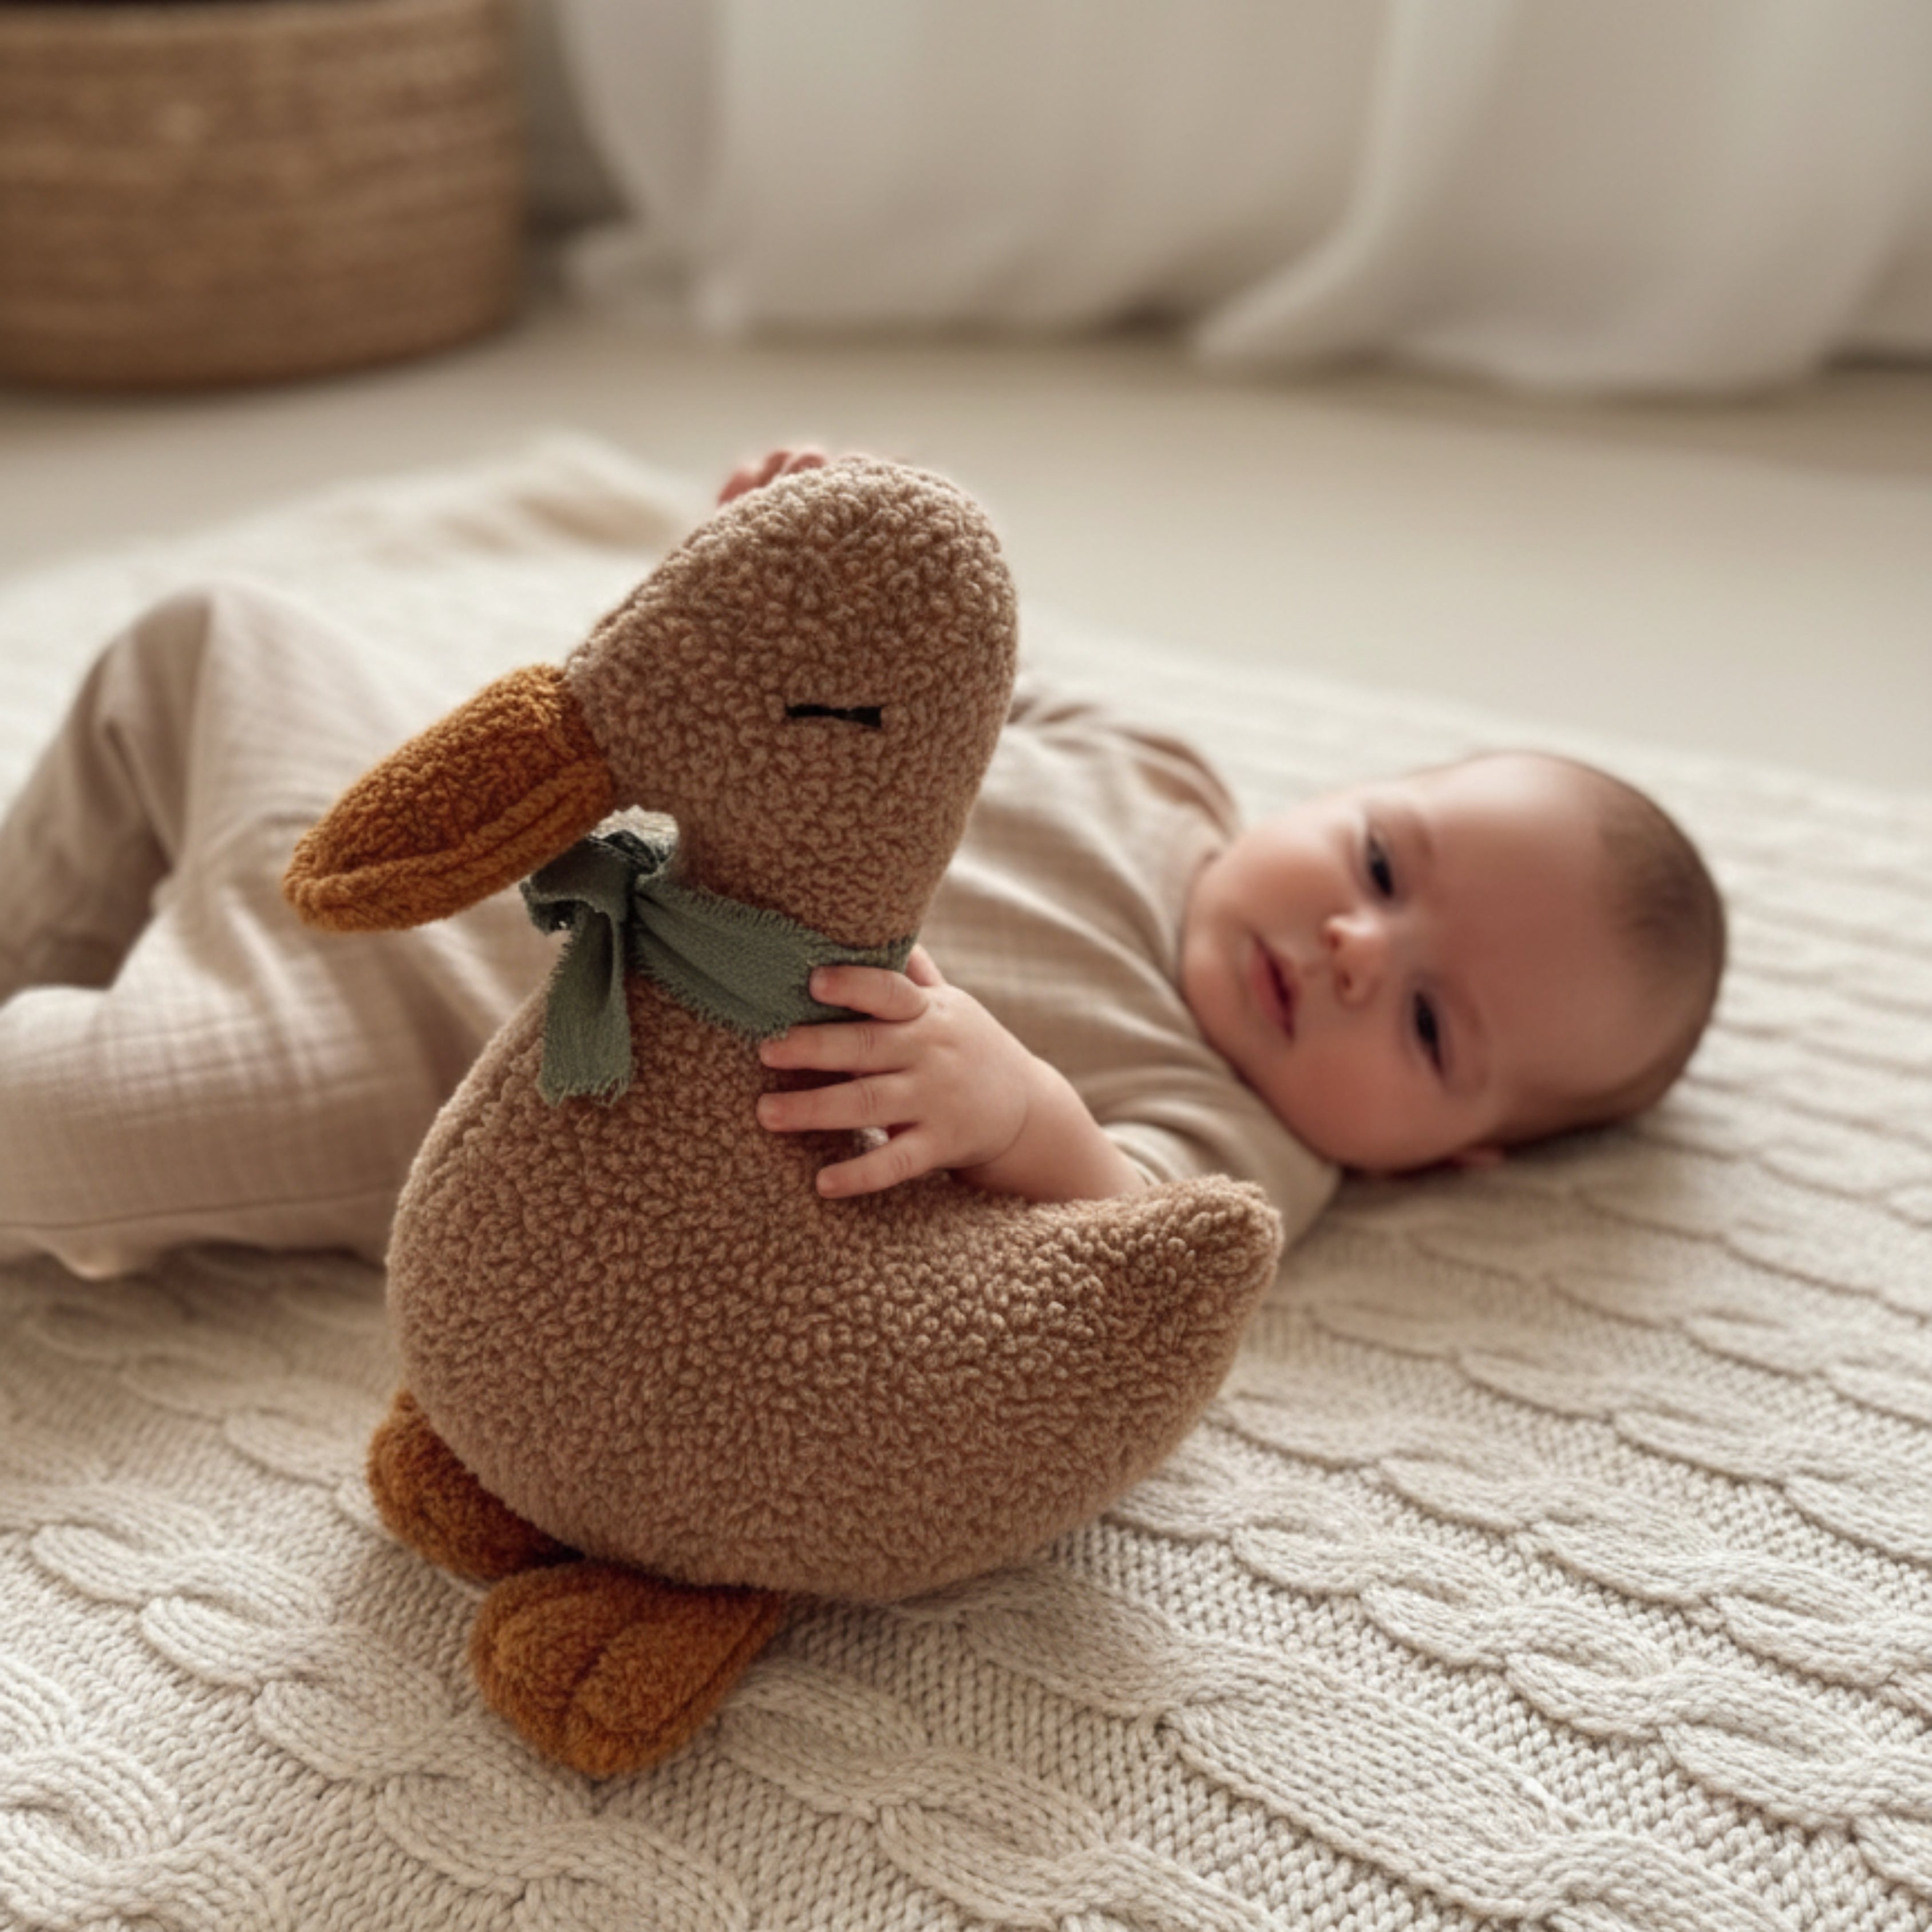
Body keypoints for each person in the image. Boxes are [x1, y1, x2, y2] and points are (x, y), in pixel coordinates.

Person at [0, 448, 1725, 1279]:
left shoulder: (1249, 1141)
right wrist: (803, 542)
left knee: (70, 1125)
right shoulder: (1157, 769)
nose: (1358, 945)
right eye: (1382, 861)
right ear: (1347, 791)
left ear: (1464, 1156)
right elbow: (949, 656)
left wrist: (1020, 1117)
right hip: (462, 824)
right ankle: (36, 926)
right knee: (204, 634)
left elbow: (1143, 1240)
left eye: (1430, 1027)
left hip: (456, 1052)